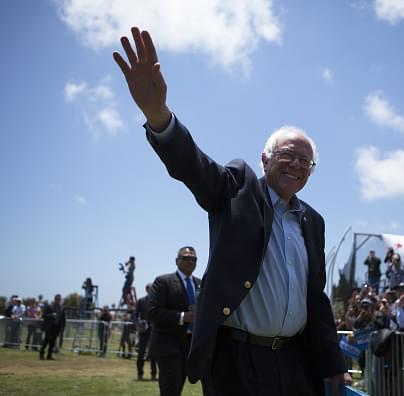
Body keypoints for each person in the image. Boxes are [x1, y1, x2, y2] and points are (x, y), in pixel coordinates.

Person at [113, 27, 349, 395]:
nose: (296, 165)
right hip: (237, 363)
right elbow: (193, 166)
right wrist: (157, 113)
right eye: (287, 154)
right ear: (265, 159)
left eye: (306, 161)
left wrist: (334, 366)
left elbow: (316, 299)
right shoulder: (237, 188)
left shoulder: (313, 222)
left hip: (296, 362)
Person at [147, 246, 201, 396]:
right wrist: (183, 317)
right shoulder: (163, 282)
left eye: (193, 258)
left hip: (192, 347)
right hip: (169, 346)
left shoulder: (201, 283)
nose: (190, 261)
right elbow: (153, 312)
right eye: (186, 258)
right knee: (170, 390)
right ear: (177, 261)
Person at [134, 283, 157, 381]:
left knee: (153, 354)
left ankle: (153, 375)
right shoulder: (141, 301)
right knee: (141, 353)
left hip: (155, 330)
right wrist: (138, 324)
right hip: (143, 330)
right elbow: (134, 315)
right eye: (151, 289)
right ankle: (140, 374)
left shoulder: (157, 301)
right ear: (147, 290)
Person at [39, 294, 65, 360]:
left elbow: (63, 318)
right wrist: (51, 315)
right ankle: (41, 353)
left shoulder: (61, 307)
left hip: (56, 327)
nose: (58, 300)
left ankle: (49, 355)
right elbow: (43, 315)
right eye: (57, 299)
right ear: (55, 299)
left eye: (59, 299)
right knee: (46, 340)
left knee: (53, 342)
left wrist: (62, 327)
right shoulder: (49, 306)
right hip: (49, 326)